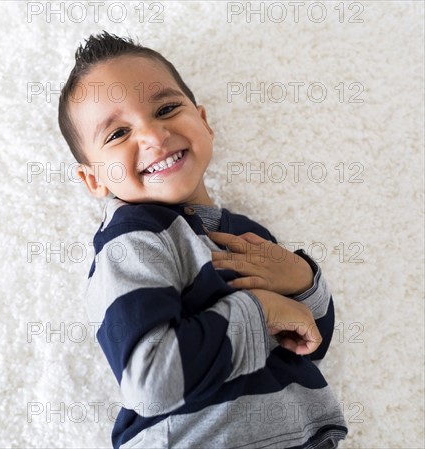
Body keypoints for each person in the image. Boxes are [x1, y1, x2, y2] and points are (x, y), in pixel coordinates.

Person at [58, 31, 348, 449]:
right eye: (118, 134)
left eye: (167, 108)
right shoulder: (134, 239)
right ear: (94, 179)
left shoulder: (245, 234)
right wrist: (262, 310)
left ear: (204, 122)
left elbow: (308, 340)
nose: (154, 137)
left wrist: (301, 280)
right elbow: (150, 380)